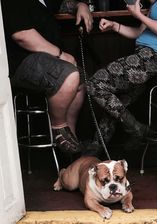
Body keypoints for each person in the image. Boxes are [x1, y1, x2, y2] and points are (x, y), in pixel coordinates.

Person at [85, 0, 157, 155]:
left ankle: (137, 130)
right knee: (113, 102)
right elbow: (139, 32)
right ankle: (94, 150)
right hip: (143, 56)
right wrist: (115, 26)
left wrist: (139, 15)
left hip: (153, 58)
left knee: (95, 84)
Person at [1, 0, 93, 154]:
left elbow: (62, 4)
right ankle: (59, 128)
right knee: (69, 74)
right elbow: (22, 36)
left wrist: (80, 6)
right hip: (22, 62)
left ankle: (71, 137)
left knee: (81, 77)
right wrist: (60, 54)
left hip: (47, 59)